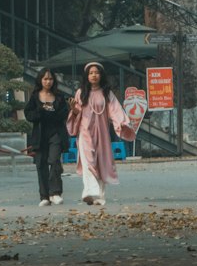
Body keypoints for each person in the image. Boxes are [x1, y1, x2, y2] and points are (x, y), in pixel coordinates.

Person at [66, 61, 133, 208]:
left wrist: (122, 123)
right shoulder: (80, 93)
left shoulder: (107, 93)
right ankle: (90, 191)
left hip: (102, 133)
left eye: (96, 72)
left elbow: (116, 111)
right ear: (87, 76)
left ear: (101, 75)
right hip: (85, 132)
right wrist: (73, 109)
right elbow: (77, 113)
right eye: (91, 73)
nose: (94, 75)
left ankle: (99, 197)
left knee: (101, 163)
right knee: (88, 161)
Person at [24, 67, 70, 207]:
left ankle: (55, 193)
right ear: (40, 80)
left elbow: (63, 114)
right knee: (41, 164)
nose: (48, 81)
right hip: (40, 135)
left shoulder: (60, 97)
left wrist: (50, 112)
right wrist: (41, 110)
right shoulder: (34, 96)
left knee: (54, 160)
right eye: (45, 79)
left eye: (50, 79)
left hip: (56, 132)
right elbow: (29, 115)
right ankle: (44, 196)